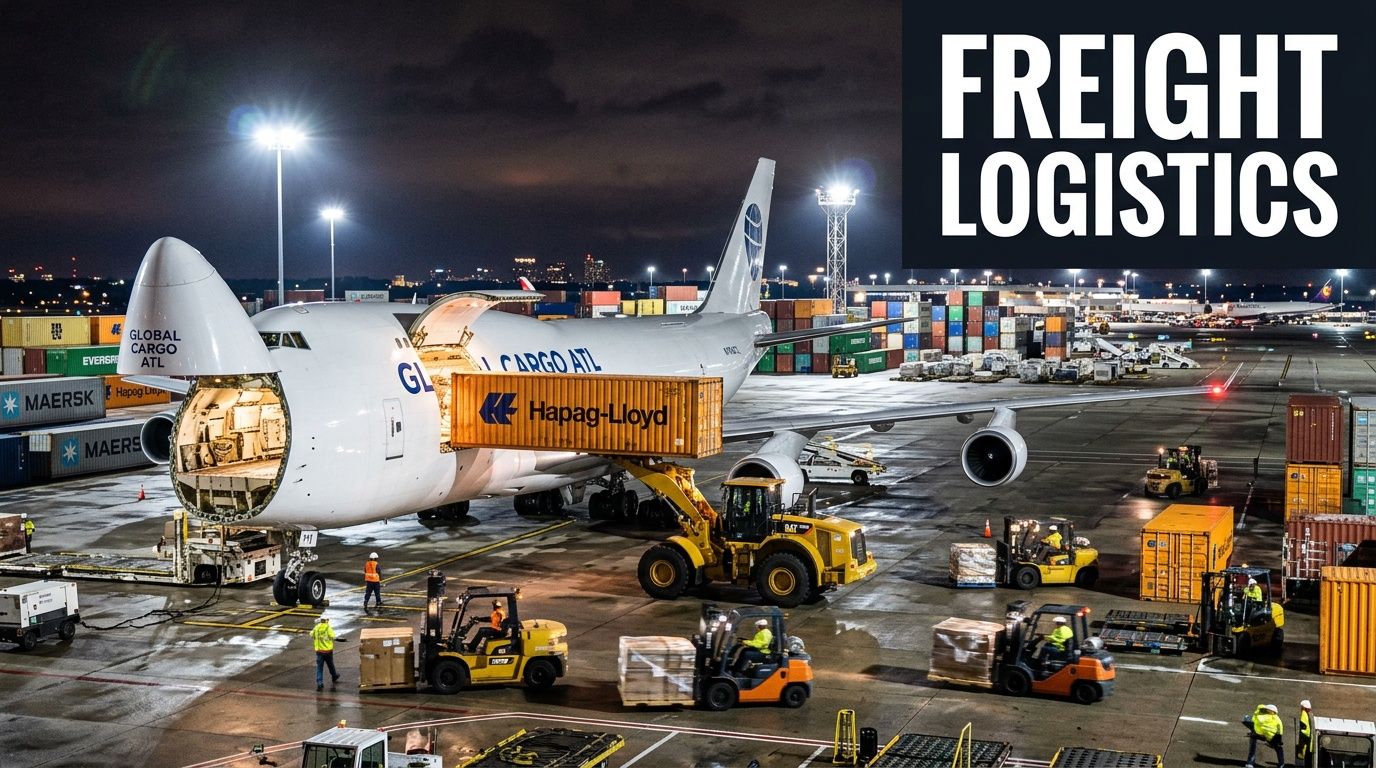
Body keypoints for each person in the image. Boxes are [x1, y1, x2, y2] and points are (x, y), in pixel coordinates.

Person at [1245, 703, 1286, 768]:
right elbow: (1280, 730)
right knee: (1279, 749)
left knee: (1252, 742)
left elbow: (1253, 721)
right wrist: (1279, 739)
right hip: (1271, 737)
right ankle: (1281, 764)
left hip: (1259, 733)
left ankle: (1250, 763)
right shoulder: (1277, 719)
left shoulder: (1260, 715)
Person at [311, 616, 341, 691]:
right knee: (330, 664)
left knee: (319, 668)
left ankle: (319, 683)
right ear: (327, 620)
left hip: (319, 651)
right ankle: (334, 676)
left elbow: (311, 634)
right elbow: (333, 636)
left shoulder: (317, 627)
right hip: (328, 651)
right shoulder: (328, 628)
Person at [1296, 700, 1313, 766]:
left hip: (1304, 737)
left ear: (1303, 707)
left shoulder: (1303, 714)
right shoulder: (1308, 714)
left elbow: (1303, 726)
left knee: (1304, 756)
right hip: (1308, 737)